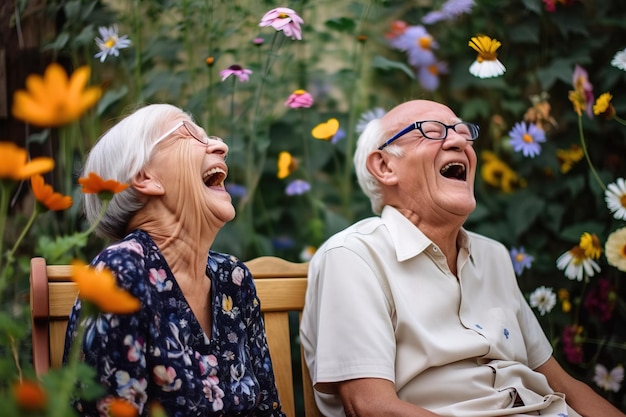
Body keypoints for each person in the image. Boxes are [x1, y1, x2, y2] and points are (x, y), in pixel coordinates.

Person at [300, 99, 626, 417]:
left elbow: (563, 384)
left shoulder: (494, 256)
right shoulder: (354, 257)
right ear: (384, 166)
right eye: (432, 131)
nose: (459, 141)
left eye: (463, 133)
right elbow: (369, 406)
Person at [63, 104, 286, 417]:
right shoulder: (121, 274)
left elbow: (268, 410)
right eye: (188, 135)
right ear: (145, 177)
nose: (221, 146)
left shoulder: (233, 278)